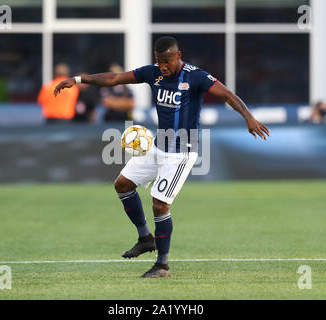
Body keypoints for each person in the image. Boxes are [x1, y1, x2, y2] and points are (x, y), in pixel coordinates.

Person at [54, 36, 270, 278]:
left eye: (167, 61)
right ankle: (146, 238)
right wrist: (79, 79)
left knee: (160, 203)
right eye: (159, 61)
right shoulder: (153, 73)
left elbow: (228, 95)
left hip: (182, 152)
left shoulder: (195, 76)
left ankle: (163, 265)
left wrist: (248, 117)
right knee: (122, 184)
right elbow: (114, 78)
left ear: (178, 56)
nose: (163, 67)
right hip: (158, 146)